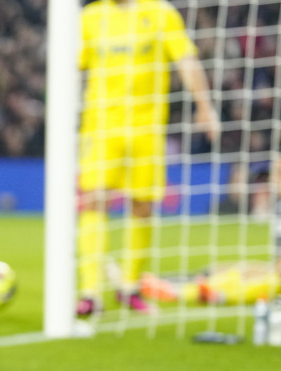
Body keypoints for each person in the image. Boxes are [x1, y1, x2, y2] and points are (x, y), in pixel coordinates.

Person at [76, 0, 221, 317]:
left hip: (146, 129)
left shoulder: (160, 13)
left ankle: (129, 287)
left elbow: (185, 59)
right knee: (94, 200)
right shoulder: (90, 17)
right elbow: (72, 66)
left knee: (141, 205)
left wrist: (204, 105)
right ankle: (90, 293)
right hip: (100, 127)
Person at [141, 149, 281, 307]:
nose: (273, 181)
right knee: (249, 269)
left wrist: (276, 272)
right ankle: (185, 289)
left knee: (277, 277)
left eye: (280, 174)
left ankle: (204, 293)